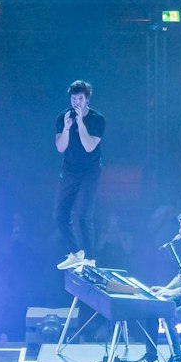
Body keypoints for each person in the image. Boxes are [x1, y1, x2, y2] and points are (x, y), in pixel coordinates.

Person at [52, 80, 106, 271]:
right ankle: (76, 253)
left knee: (83, 214)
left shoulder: (97, 119)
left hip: (90, 172)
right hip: (69, 171)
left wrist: (80, 122)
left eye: (80, 98)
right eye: (73, 98)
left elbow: (89, 146)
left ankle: (90, 258)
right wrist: (67, 128)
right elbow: (60, 147)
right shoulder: (62, 117)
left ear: (87, 100)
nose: (76, 102)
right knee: (60, 214)